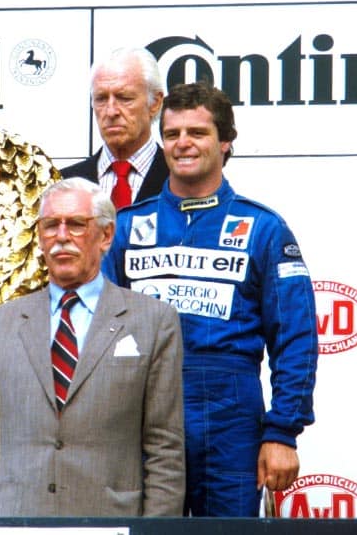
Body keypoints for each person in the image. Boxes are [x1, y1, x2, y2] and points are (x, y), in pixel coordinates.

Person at [103, 81, 319, 517]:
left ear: (225, 143)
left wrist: (282, 433)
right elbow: (94, 330)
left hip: (230, 412)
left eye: (197, 133)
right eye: (172, 133)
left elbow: (295, 338)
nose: (182, 143)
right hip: (141, 409)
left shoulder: (263, 228)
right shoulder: (125, 228)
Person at [0, 178, 184, 517]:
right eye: (51, 225)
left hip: (109, 520)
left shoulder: (153, 321)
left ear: (106, 236)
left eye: (77, 224)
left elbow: (164, 448)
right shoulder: (1, 323)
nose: (61, 236)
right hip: (16, 520)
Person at [61, 47, 168, 209]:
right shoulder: (63, 184)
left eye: (125, 98)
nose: (111, 111)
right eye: (101, 99)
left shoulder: (183, 180)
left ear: (155, 103)